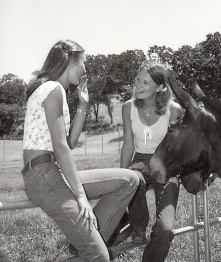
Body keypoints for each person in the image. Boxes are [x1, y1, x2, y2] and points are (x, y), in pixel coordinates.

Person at [22, 39, 139, 262]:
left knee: (128, 180)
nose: (86, 68)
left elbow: (70, 141)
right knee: (98, 257)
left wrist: (83, 105)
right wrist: (81, 196)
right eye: (84, 62)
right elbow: (61, 147)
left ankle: (85, 243)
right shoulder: (53, 89)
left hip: (51, 172)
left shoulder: (55, 91)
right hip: (43, 175)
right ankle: (90, 248)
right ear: (71, 62)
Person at [120, 62, 182, 262]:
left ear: (160, 87)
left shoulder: (174, 110)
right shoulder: (128, 107)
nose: (138, 85)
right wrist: (120, 178)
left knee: (164, 229)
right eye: (137, 80)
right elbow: (128, 144)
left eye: (145, 82)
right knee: (132, 178)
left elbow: (178, 147)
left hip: (166, 166)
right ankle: (138, 227)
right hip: (139, 162)